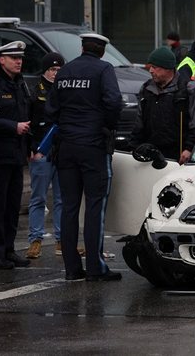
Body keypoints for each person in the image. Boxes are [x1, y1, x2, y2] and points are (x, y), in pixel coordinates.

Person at [46, 33, 123, 281]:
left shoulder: (65, 71)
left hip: (66, 147)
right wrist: (107, 127)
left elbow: (51, 108)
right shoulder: (103, 69)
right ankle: (95, 267)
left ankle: (72, 269)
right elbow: (113, 102)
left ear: (82, 48)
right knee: (94, 207)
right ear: (101, 51)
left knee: (69, 207)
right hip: (93, 147)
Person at [0, 41, 32, 270]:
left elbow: (26, 114)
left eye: (20, 57)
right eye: (13, 57)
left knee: (12, 206)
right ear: (1, 60)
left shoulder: (19, 84)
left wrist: (29, 146)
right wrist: (13, 127)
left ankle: (8, 249)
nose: (19, 61)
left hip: (16, 155)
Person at [129, 47, 195, 164]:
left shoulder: (190, 90)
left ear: (168, 69)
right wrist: (134, 147)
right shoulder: (146, 89)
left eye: (155, 67)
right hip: (151, 158)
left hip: (179, 159)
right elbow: (139, 124)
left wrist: (189, 149)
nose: (151, 70)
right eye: (150, 67)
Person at [25, 53, 65, 259]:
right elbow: (28, 121)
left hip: (62, 151)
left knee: (62, 199)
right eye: (52, 70)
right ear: (45, 71)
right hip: (42, 150)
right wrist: (31, 148)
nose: (55, 74)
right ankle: (35, 240)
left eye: (59, 70)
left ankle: (61, 240)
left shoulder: (65, 91)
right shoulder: (35, 92)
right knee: (38, 197)